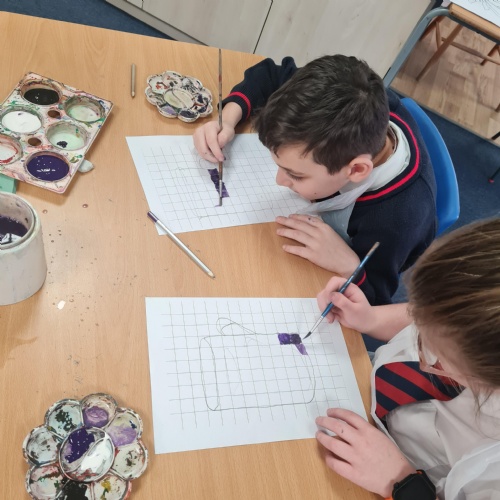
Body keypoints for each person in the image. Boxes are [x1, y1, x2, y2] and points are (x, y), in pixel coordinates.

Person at [193, 55, 437, 305]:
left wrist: (350, 266)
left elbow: (375, 298)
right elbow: (270, 74)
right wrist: (227, 119)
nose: (279, 180)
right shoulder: (356, 100)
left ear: (355, 170)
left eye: (295, 174)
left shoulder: (396, 222)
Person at [314, 218, 500, 499]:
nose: (422, 357)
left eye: (439, 358)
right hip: (368, 391)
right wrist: (372, 319)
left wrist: (402, 481)